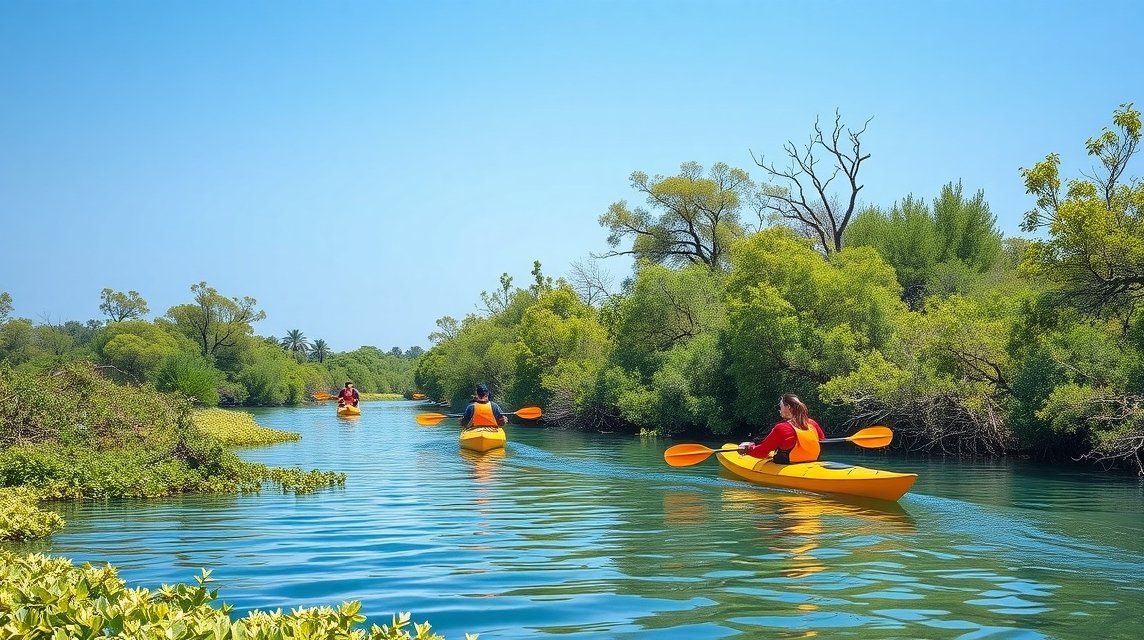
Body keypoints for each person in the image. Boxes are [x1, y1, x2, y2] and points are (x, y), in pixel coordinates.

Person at [738, 393, 824, 464]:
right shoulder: (812, 423)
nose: (780, 410)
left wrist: (748, 449)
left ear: (788, 407)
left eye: (781, 407)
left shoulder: (782, 428)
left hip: (789, 465)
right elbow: (821, 440)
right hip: (812, 462)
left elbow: (761, 452)